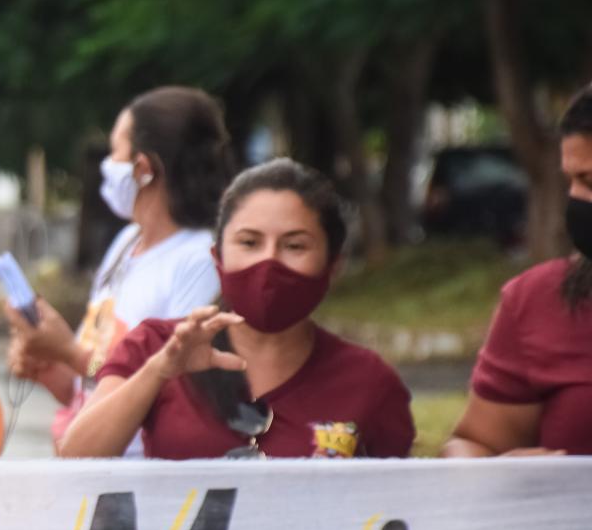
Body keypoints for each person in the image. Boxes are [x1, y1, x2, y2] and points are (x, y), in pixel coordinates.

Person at [60, 159, 413, 459]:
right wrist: (158, 372)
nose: (268, 261)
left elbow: (402, 515)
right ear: (218, 258)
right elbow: (77, 456)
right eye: (249, 242)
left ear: (333, 266)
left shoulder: (370, 382)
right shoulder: (157, 345)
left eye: (295, 245)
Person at [5, 86, 234, 453]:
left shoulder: (200, 259)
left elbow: (174, 385)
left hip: (146, 481)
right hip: (95, 465)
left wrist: (69, 352)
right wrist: (50, 366)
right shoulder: (126, 243)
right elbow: (96, 383)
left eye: (116, 152)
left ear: (143, 169)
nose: (107, 167)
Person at [443, 85, 592, 456]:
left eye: (590, 181)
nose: (577, 199)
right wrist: (501, 473)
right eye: (572, 180)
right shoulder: (538, 300)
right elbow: (471, 447)